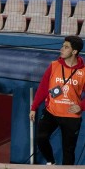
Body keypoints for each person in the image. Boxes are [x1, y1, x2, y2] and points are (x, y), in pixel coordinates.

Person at [29, 35, 85, 165]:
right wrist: (34, 107)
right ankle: (51, 162)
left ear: (74, 51)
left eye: (66, 47)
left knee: (68, 152)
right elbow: (43, 88)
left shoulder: (83, 71)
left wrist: (81, 106)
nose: (61, 49)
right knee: (41, 138)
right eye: (62, 46)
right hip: (51, 112)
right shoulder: (54, 65)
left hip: (71, 116)